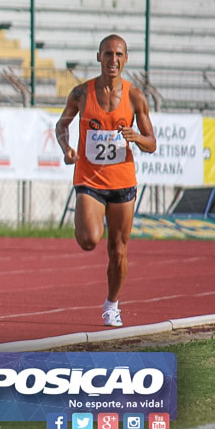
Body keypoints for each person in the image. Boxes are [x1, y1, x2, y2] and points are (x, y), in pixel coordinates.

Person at [55, 34, 156, 328]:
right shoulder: (81, 94)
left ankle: (112, 304)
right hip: (89, 178)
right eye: (108, 54)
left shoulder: (135, 96)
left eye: (119, 54)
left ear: (126, 59)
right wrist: (67, 148)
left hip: (123, 181)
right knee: (88, 239)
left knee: (119, 250)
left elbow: (152, 143)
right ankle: (86, 222)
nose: (113, 60)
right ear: (99, 57)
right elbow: (63, 123)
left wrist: (137, 138)